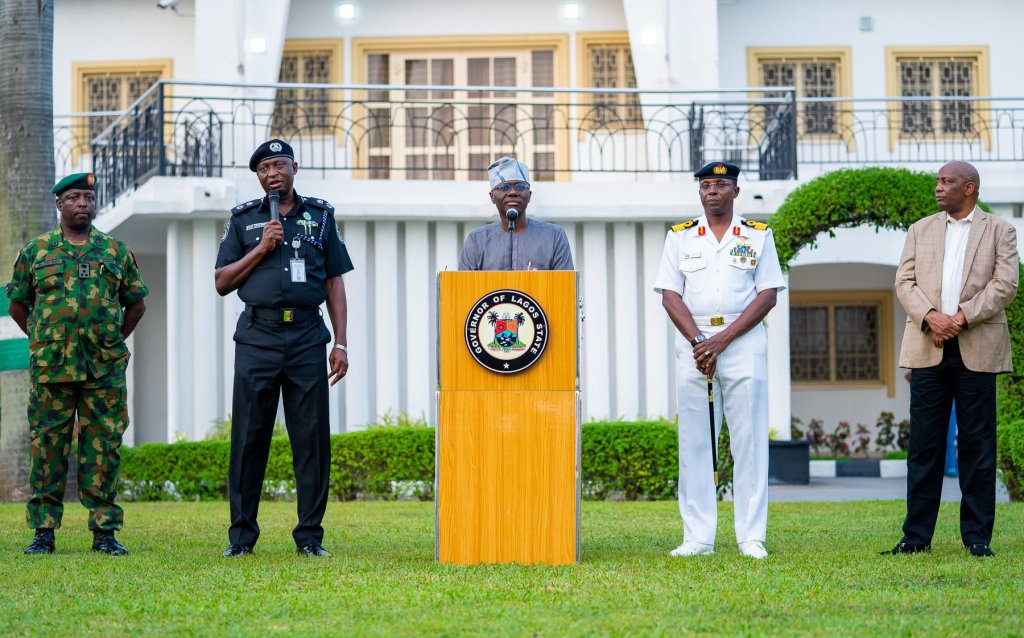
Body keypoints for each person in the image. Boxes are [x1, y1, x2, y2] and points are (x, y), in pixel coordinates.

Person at [214, 139, 354, 558]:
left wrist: (341, 342)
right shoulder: (244, 221)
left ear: (295, 167)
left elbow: (334, 282)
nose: (272, 173)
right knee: (248, 439)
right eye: (263, 168)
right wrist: (262, 248)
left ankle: (310, 537)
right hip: (258, 337)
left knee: (310, 440)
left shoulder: (321, 217)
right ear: (258, 177)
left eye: (279, 165)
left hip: (308, 336)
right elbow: (222, 282)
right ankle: (241, 539)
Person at [5, 172, 148, 556]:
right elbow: (18, 304)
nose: (83, 203)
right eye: (74, 197)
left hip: (103, 369)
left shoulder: (115, 252)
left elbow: (136, 303)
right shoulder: (36, 251)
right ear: (59, 204)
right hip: (51, 368)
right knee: (47, 447)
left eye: (88, 196)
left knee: (103, 447)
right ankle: (43, 533)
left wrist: (113, 339)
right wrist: (41, 336)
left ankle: (104, 533)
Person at [653, 161, 785, 560]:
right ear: (700, 193)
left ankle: (751, 537)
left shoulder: (758, 236)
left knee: (748, 442)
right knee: (696, 442)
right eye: (706, 185)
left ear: (735, 192)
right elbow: (669, 294)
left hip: (741, 341)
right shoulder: (680, 237)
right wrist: (700, 341)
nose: (713, 191)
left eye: (721, 185)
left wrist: (723, 339)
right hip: (694, 344)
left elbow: (767, 294)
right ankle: (698, 537)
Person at [887, 161, 1018, 558]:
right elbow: (903, 283)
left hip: (977, 349)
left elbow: (1005, 284)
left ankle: (977, 537)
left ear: (970, 188)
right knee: (924, 446)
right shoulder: (920, 229)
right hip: (928, 348)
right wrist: (931, 317)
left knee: (977, 446)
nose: (938, 188)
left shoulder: (1000, 230)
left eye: (947, 182)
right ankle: (915, 537)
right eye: (938, 182)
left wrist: (960, 318)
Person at [458, 156, 574, 271]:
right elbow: (464, 287)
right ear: (492, 197)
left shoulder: (554, 237)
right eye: (504, 187)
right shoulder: (477, 240)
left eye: (520, 186)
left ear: (529, 195)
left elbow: (565, 287)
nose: (513, 192)